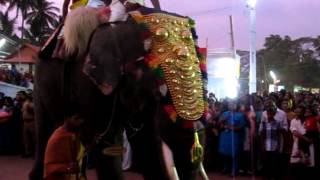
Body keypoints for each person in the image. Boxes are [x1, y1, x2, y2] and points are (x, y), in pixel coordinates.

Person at [44, 106, 85, 180]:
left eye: (82, 118)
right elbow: (49, 167)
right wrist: (68, 168)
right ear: (66, 118)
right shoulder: (56, 138)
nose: (81, 121)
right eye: (76, 118)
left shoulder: (74, 132)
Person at [218, 100, 246, 176]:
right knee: (225, 152)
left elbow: (241, 126)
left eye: (233, 104)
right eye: (230, 104)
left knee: (234, 153)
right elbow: (219, 124)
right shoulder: (224, 113)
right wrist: (222, 122)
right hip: (225, 135)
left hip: (234, 136)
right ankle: (226, 168)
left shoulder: (240, 115)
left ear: (236, 105)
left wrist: (231, 128)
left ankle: (234, 170)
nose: (231, 105)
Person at [259, 105, 283, 180]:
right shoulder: (264, 123)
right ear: (267, 114)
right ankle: (266, 177)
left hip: (274, 146)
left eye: (271, 113)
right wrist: (262, 145)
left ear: (274, 114)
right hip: (266, 146)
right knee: (266, 163)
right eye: (268, 113)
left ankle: (274, 176)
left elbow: (279, 135)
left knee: (274, 163)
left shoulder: (278, 123)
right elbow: (262, 134)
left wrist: (279, 146)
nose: (270, 115)